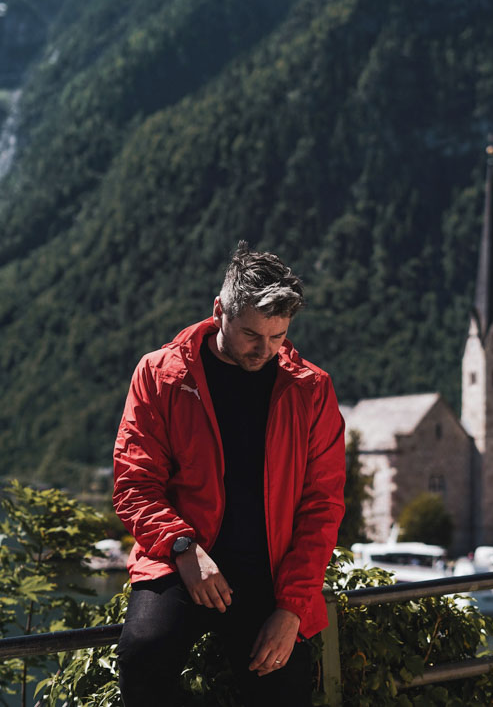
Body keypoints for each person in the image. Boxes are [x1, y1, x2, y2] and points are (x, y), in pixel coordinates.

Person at [113, 242, 346, 706]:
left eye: (279, 336)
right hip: (180, 559)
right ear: (219, 310)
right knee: (143, 655)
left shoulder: (312, 389)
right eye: (251, 335)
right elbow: (133, 481)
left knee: (284, 689)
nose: (266, 349)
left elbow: (323, 506)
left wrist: (292, 608)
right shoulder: (160, 375)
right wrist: (183, 548)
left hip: (271, 573)